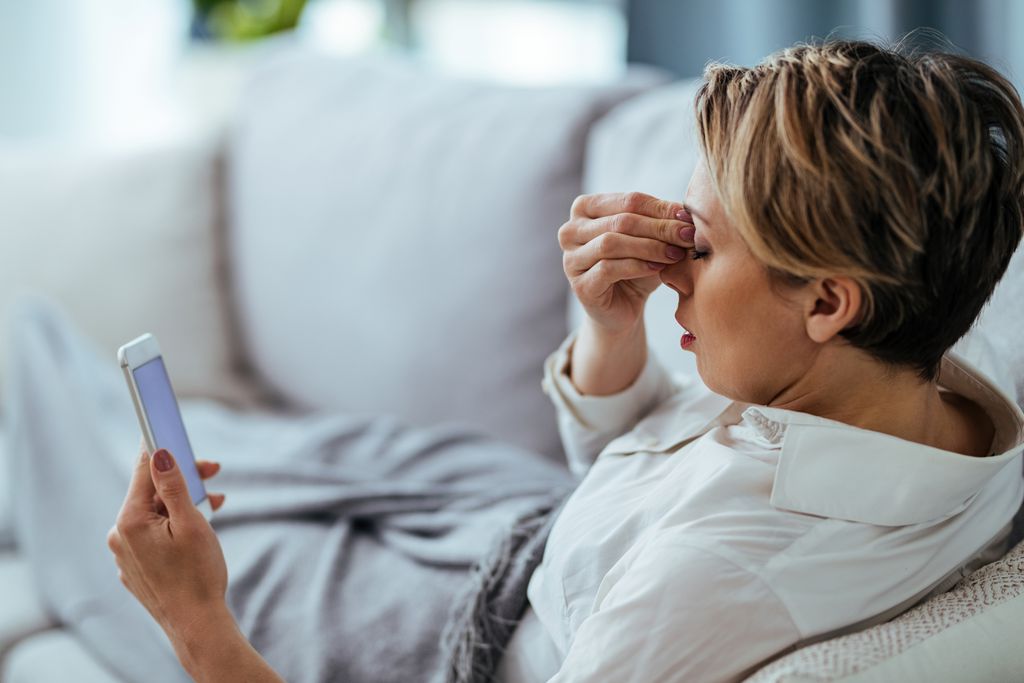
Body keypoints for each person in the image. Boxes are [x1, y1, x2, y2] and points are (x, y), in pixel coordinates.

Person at [102, 38, 1024, 682]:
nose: (673, 280)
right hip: (515, 514)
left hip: (470, 624)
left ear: (828, 301)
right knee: (280, 449)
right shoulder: (933, 397)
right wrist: (610, 331)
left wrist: (198, 626)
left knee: (125, 498)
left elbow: (682, 549)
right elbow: (641, 467)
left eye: (699, 249)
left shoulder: (713, 582)